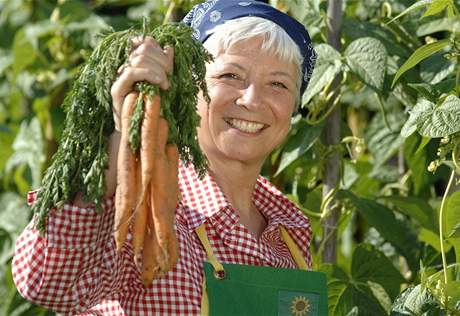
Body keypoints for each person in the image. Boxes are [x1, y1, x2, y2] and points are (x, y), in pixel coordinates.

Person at [12, 0, 324, 315]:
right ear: (186, 89)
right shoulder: (146, 208)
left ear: (294, 106)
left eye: (278, 84)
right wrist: (123, 133)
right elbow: (48, 283)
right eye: (231, 75)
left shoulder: (289, 232)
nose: (253, 99)